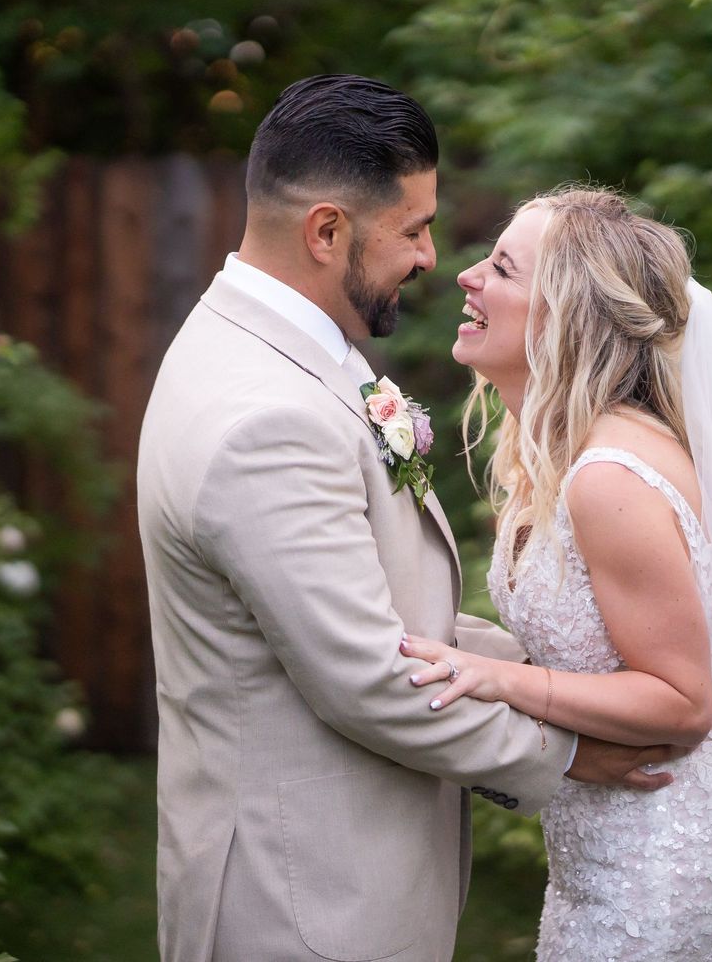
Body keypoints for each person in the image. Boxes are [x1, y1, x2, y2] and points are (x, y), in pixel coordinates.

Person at [137, 78, 675, 962]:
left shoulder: (267, 348)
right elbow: (370, 679)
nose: (431, 258)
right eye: (413, 229)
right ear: (326, 231)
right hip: (300, 906)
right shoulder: (266, 419)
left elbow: (381, 602)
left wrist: (554, 670)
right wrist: (570, 750)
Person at [399, 186, 712, 960]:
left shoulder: (608, 477)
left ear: (568, 316)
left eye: (503, 269)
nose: (467, 276)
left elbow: (682, 702)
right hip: (606, 860)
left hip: (660, 875)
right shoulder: (567, 456)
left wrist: (498, 681)